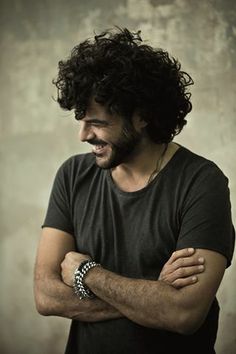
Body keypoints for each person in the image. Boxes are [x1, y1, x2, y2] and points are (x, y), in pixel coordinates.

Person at [34, 28, 235, 354]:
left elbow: (184, 313)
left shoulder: (202, 182)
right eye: (80, 120)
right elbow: (45, 295)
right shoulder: (73, 175)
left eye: (96, 122)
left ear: (141, 117)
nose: (83, 135)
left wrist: (87, 274)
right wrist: (155, 295)